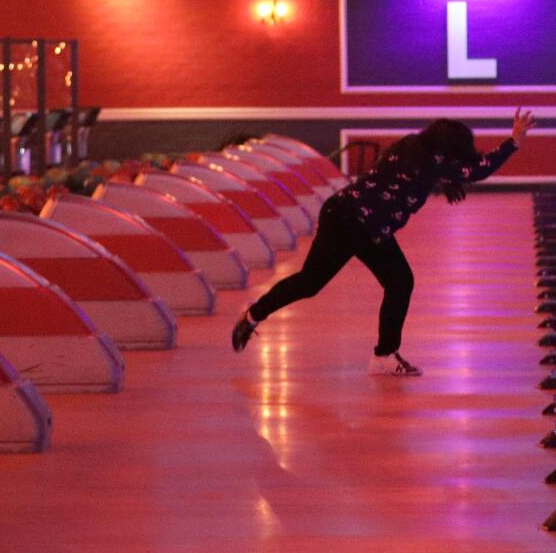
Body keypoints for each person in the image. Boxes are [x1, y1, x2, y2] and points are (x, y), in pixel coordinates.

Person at [230, 111, 536, 375]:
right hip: (348, 220)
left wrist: (445, 179)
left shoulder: (413, 147)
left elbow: (431, 171)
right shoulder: (430, 160)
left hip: (367, 223)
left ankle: (384, 356)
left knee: (400, 281)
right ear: (448, 148)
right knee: (311, 283)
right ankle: (253, 314)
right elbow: (476, 169)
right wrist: (515, 141)